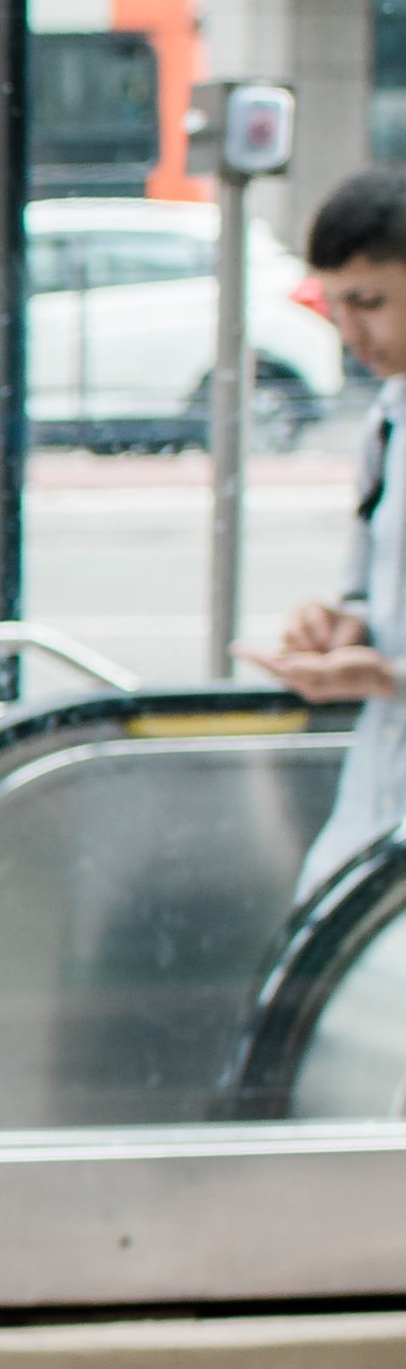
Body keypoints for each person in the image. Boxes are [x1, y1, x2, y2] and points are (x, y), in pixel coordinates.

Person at [247, 166, 406, 897]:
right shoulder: (385, 425)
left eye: (369, 303)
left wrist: (386, 678)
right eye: (336, 305)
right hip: (376, 800)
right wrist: (339, 628)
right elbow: (373, 599)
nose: (349, 332)